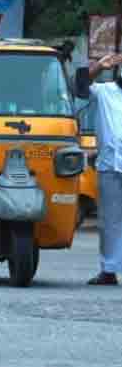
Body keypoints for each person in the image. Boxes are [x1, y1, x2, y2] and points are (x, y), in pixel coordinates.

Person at [84, 53, 122, 285]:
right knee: (109, 220)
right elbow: (77, 85)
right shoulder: (105, 91)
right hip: (110, 165)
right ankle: (109, 270)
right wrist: (99, 66)